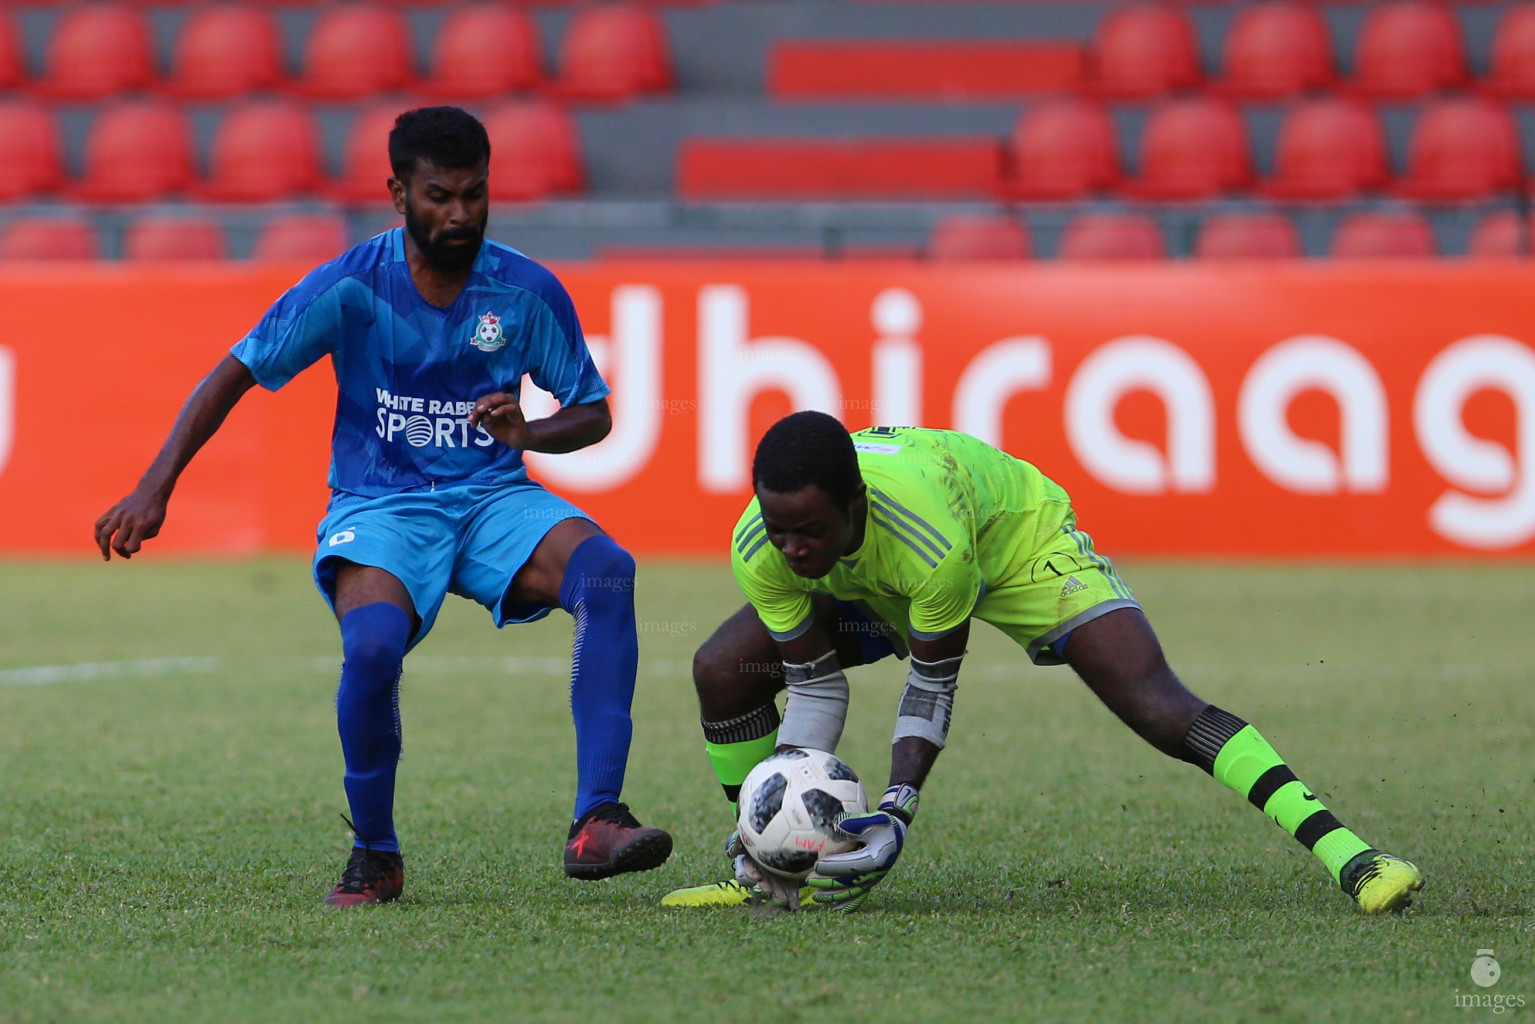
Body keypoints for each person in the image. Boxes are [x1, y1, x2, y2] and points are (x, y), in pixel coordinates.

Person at [94, 106, 671, 907]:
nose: (461, 214)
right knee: (370, 652)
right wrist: (156, 485)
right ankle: (376, 853)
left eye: (475, 194)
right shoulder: (351, 287)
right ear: (398, 192)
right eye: (440, 195)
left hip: (492, 499)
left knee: (606, 574)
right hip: (383, 505)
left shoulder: (526, 290)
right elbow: (237, 368)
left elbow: (595, 412)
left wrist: (530, 428)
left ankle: (596, 819)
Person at [661, 412, 1422, 913]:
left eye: (809, 530)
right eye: (778, 527)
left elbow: (930, 687)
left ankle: (1351, 856)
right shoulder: (761, 547)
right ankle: (762, 874)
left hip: (1014, 540)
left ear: (854, 501)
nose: (791, 549)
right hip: (874, 575)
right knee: (724, 667)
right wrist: (782, 829)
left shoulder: (931, 543)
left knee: (1154, 703)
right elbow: (816, 689)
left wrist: (894, 811)